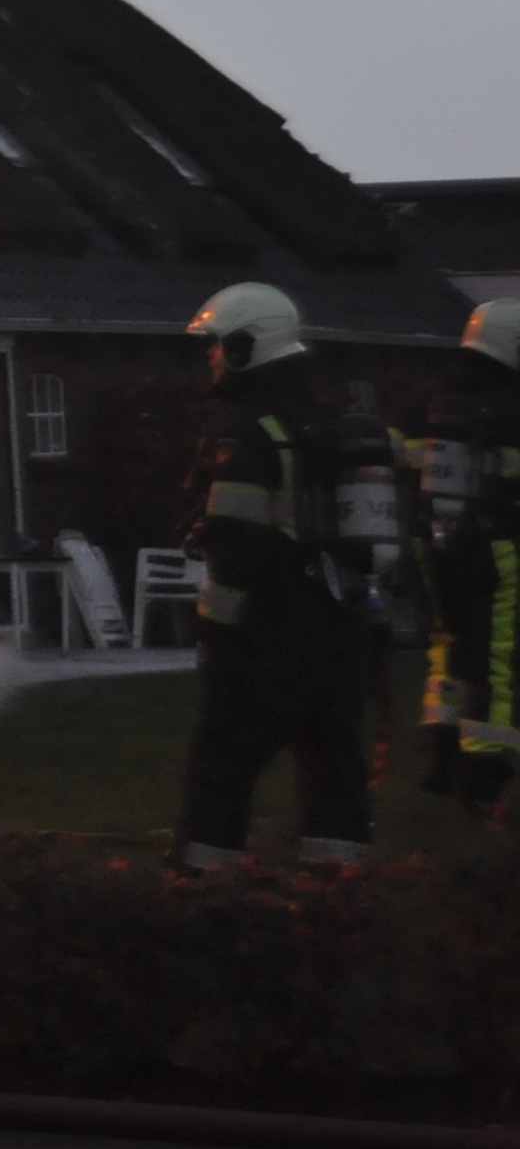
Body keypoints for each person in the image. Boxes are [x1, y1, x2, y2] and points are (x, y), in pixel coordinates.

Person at [176, 281, 405, 868]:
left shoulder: (246, 431)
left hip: (268, 639)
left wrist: (215, 634)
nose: (212, 357)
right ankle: (337, 893)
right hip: (339, 635)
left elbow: (236, 547)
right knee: (335, 770)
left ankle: (199, 890)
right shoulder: (329, 423)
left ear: (248, 346)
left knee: (222, 769)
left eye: (219, 344)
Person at [404, 298, 520, 818]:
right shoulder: (512, 408)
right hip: (499, 547)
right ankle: (484, 774)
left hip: (433, 544)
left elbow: (401, 469)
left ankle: (439, 759)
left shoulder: (424, 402)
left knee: (446, 644)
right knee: (497, 656)